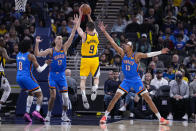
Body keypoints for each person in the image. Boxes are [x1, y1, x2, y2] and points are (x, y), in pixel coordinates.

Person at [98, 21, 169, 125]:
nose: (124, 46)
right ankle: (105, 117)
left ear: (130, 47)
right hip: (126, 81)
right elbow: (113, 42)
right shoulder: (122, 54)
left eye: (126, 45)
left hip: (136, 80)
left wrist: (160, 52)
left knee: (148, 99)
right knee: (115, 97)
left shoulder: (137, 55)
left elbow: (148, 54)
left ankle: (160, 118)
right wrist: (104, 32)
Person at [34, 14, 79, 122]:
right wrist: (36, 43)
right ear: (55, 41)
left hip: (62, 76)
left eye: (61, 38)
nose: (60, 39)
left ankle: (64, 115)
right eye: (58, 38)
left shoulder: (65, 48)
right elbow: (37, 54)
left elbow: (72, 35)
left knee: (66, 98)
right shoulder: (51, 50)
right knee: (53, 96)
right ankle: (49, 115)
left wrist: (76, 25)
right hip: (53, 75)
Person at [16, 39, 50, 122]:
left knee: (31, 93)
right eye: (31, 45)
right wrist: (46, 64)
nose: (32, 46)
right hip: (27, 77)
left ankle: (27, 113)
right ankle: (37, 111)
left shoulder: (18, 54)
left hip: (18, 78)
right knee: (40, 95)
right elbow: (39, 70)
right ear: (28, 47)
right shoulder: (30, 56)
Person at [76, 6, 100, 109]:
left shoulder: (85, 36)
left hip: (85, 59)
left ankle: (84, 95)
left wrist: (81, 15)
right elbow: (92, 25)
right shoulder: (96, 34)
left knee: (83, 80)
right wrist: (89, 15)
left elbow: (77, 28)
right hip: (95, 59)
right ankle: (95, 88)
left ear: (86, 28)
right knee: (96, 78)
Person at [0, 37, 16, 111]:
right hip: (0, 74)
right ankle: (0, 105)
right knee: (8, 89)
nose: (4, 42)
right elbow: (8, 60)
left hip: (1, 74)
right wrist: (17, 59)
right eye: (2, 40)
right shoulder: (2, 49)